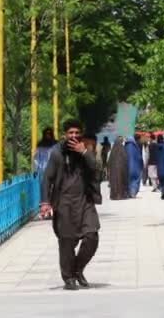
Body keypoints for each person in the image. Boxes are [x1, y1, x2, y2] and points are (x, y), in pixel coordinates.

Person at [40, 120, 102, 290]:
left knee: (92, 237)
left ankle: (77, 269)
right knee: (67, 242)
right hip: (64, 204)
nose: (74, 136)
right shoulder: (57, 153)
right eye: (70, 133)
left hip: (85, 202)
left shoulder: (85, 151)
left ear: (81, 134)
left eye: (77, 133)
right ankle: (68, 278)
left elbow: (97, 171)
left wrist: (84, 153)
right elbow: (47, 179)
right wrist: (45, 202)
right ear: (64, 135)